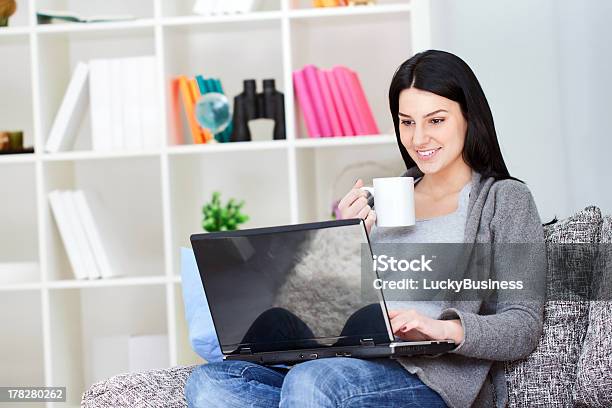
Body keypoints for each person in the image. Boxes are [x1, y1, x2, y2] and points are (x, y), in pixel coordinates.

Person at [184, 50, 545, 408]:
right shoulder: (379, 200)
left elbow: (523, 324)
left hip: (427, 377)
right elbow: (324, 306)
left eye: (436, 121)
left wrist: (443, 328)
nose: (419, 139)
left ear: (469, 117)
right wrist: (340, 237)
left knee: (314, 383)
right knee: (211, 384)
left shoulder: (504, 200)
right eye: (407, 122)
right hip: (342, 362)